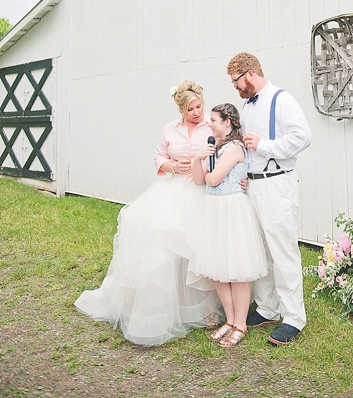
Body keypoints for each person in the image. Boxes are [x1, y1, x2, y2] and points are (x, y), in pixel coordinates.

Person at [74, 80, 220, 346]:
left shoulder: (211, 126)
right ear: (181, 110)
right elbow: (158, 156)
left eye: (199, 106)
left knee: (199, 247)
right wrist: (173, 166)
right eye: (191, 109)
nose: (197, 112)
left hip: (201, 190)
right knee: (162, 245)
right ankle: (166, 307)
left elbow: (221, 151)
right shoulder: (169, 129)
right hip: (172, 188)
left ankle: (205, 306)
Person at [226, 52, 312, 345]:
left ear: (249, 74)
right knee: (259, 249)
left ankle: (293, 318)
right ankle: (267, 307)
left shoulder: (282, 99)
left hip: (278, 184)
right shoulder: (245, 106)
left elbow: (303, 137)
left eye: (236, 81)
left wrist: (266, 145)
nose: (235, 87)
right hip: (253, 186)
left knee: (282, 250)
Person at [188, 103, 267, 348]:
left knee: (236, 270)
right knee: (218, 270)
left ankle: (241, 324)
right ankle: (230, 320)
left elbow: (213, 178)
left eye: (213, 119)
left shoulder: (234, 148)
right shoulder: (217, 148)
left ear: (227, 123)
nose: (209, 123)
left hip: (231, 210)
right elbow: (200, 180)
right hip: (214, 209)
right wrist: (197, 158)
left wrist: (208, 165)